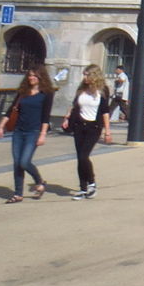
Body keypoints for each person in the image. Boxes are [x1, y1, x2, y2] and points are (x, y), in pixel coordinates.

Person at [0, 64, 56, 203]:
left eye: (34, 75)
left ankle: (39, 181)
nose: (31, 78)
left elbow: (46, 116)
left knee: (24, 162)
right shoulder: (23, 92)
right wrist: (0, 126)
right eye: (29, 75)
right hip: (18, 131)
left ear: (41, 77)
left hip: (33, 131)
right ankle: (18, 194)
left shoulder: (47, 93)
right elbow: (11, 110)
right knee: (17, 163)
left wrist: (43, 134)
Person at [62, 63, 112, 199]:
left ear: (94, 76)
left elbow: (105, 112)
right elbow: (74, 105)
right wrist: (67, 117)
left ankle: (92, 183)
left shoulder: (102, 91)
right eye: (84, 75)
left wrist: (107, 131)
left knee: (84, 156)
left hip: (94, 127)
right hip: (79, 125)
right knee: (79, 158)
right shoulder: (81, 89)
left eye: (87, 75)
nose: (84, 78)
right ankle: (83, 189)